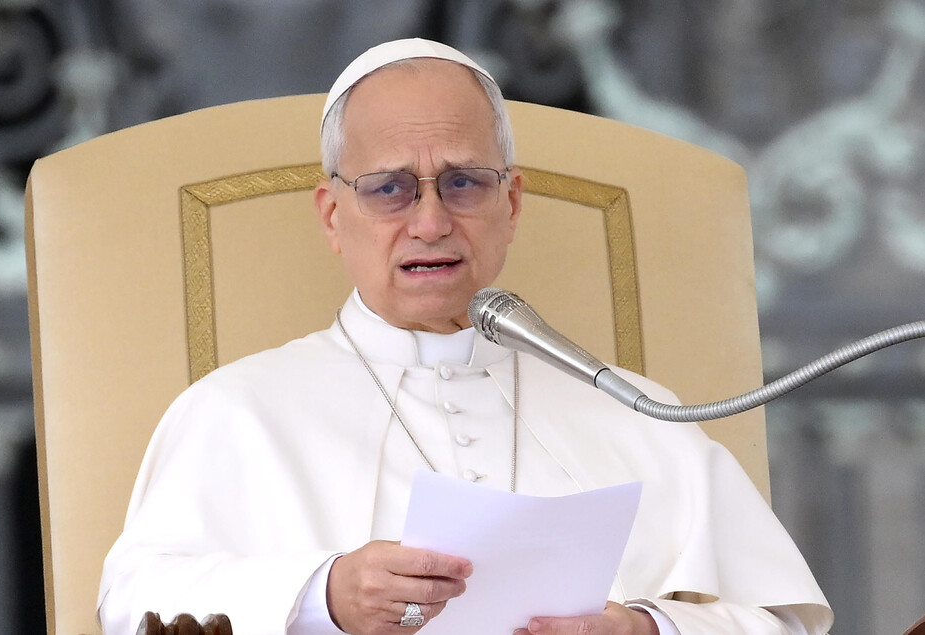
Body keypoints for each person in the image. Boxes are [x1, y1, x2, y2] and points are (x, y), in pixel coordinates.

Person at [97, 38, 833, 635]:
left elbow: (782, 620)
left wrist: (645, 629)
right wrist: (324, 593)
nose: (430, 222)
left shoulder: (635, 408)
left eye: (463, 183)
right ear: (332, 216)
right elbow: (130, 604)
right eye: (389, 188)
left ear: (511, 203)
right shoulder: (236, 411)